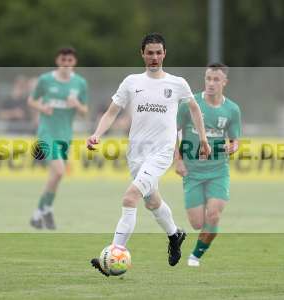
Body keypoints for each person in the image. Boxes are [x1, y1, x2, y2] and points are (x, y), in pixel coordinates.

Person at [87, 33, 210, 276]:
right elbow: (112, 112)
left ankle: (114, 254)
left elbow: (195, 109)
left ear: (164, 54)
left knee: (130, 197)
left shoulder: (177, 83)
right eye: (150, 53)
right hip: (136, 153)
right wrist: (97, 134)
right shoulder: (131, 82)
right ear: (142, 54)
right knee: (152, 201)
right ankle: (175, 235)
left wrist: (203, 139)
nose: (154, 57)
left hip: (161, 152)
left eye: (158, 53)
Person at [175, 63, 242, 267]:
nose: (211, 83)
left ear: (224, 82)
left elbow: (235, 139)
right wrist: (177, 160)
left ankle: (195, 256)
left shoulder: (232, 109)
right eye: (208, 79)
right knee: (196, 223)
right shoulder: (189, 103)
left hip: (218, 170)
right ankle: (198, 235)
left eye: (216, 79)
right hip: (192, 171)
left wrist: (233, 147)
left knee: (213, 215)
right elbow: (172, 132)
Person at [28, 47, 89, 230]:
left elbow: (85, 112)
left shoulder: (80, 83)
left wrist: (77, 104)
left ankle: (42, 211)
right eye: (63, 60)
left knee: (55, 176)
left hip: (65, 136)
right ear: (57, 61)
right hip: (46, 134)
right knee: (60, 171)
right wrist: (42, 108)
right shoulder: (45, 80)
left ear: (74, 63)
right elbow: (31, 100)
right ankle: (42, 210)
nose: (66, 64)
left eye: (70, 60)